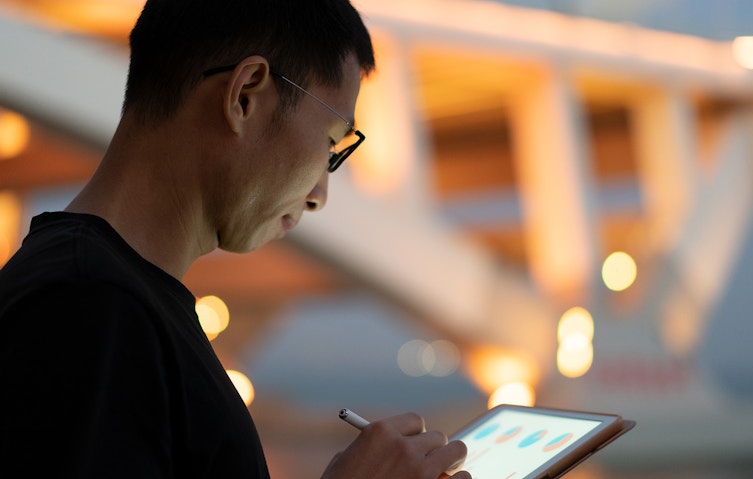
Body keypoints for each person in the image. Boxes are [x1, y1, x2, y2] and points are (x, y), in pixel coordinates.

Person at [0, 0, 470, 478]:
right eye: (330, 142)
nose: (319, 196)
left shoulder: (106, 300)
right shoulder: (92, 307)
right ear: (245, 95)